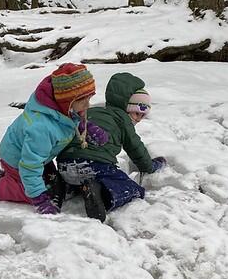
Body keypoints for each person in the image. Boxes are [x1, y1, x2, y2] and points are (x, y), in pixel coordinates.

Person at [0, 63, 107, 215]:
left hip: (39, 155)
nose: (88, 104)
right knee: (40, 191)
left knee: (55, 183)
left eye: (89, 98)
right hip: (17, 160)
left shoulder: (62, 109)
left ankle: (2, 176)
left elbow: (69, 120)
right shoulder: (41, 128)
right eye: (83, 100)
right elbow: (30, 166)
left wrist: (86, 128)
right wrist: (40, 200)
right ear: (67, 101)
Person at [56, 72, 167, 223]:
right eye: (137, 113)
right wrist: (150, 166)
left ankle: (66, 188)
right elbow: (136, 148)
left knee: (79, 174)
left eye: (143, 115)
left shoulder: (91, 111)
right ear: (126, 107)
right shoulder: (122, 120)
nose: (139, 119)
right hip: (94, 165)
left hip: (64, 165)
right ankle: (100, 194)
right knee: (132, 189)